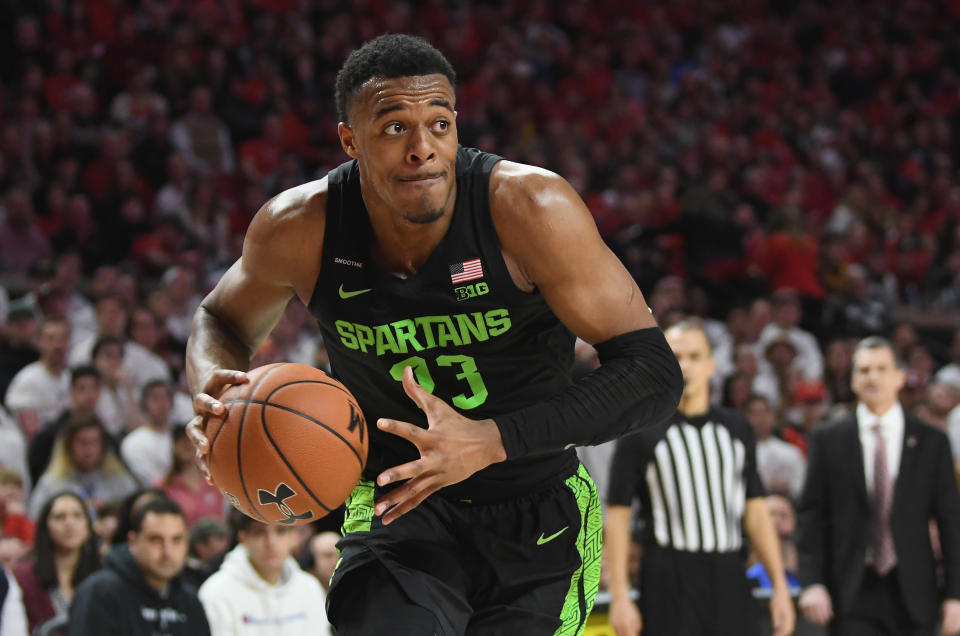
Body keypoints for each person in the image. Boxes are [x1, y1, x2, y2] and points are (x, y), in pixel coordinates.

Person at [185, 34, 682, 635]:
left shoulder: (529, 208)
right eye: (394, 128)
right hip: (398, 507)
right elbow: (221, 319)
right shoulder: (301, 226)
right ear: (349, 139)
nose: (423, 148)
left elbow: (653, 372)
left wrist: (492, 439)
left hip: (536, 507)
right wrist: (214, 388)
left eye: (439, 124)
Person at [606, 321, 794, 636]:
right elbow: (618, 514)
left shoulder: (737, 427)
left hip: (730, 572)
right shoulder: (640, 431)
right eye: (677, 356)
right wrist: (620, 596)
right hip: (668, 577)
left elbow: (756, 511)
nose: (686, 366)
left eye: (695, 356)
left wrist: (780, 587)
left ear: (711, 365)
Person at [797, 336, 960, 636]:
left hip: (916, 590)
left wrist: (955, 595)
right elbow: (811, 516)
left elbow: (951, 521)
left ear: (900, 377)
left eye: (882, 368)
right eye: (864, 370)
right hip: (850, 589)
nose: (873, 377)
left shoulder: (932, 442)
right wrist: (812, 582)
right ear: (853, 379)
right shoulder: (827, 439)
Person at [69, 496, 210, 635]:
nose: (168, 552)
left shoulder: (189, 600)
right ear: (133, 542)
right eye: (156, 540)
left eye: (177, 540)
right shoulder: (100, 594)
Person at [198, 510, 330, 635]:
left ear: (293, 537)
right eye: (259, 532)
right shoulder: (216, 592)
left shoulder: (310, 587)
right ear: (243, 538)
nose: (271, 542)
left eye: (280, 531)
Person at [12, 491, 100, 634]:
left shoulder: (101, 575)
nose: (69, 523)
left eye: (77, 516)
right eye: (60, 517)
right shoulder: (24, 577)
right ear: (45, 527)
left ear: (88, 526)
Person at [28, 414, 138, 519]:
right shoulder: (51, 484)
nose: (89, 449)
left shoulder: (119, 480)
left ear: (103, 446)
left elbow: (136, 513)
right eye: (83, 442)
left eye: (94, 442)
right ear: (69, 446)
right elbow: (35, 519)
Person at [159, 424, 225, 528]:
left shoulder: (216, 479)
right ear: (174, 446)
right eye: (181, 440)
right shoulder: (163, 484)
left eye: (191, 440)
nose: (187, 444)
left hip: (216, 540)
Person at [120, 380, 175, 486]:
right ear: (144, 405)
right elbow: (152, 482)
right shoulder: (133, 442)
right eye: (155, 398)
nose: (161, 403)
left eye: (165, 397)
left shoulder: (185, 436)